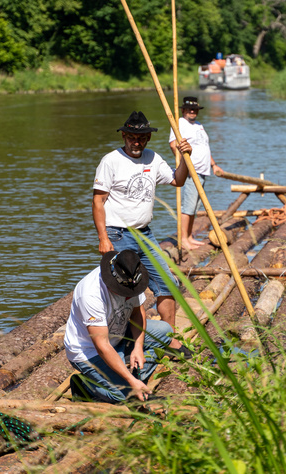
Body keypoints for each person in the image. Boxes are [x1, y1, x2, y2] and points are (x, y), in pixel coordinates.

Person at [92, 110, 193, 356]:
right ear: (125, 135)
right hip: (118, 234)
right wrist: (103, 238)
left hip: (145, 234)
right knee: (124, 291)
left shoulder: (153, 158)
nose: (137, 142)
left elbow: (178, 181)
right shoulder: (111, 161)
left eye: (142, 137)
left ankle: (169, 341)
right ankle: (119, 344)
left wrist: (185, 157)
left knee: (167, 284)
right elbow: (98, 202)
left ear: (148, 138)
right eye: (132, 137)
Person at [64, 249, 172, 403]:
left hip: (118, 335)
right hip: (90, 351)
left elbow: (137, 313)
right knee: (124, 396)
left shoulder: (131, 276)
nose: (128, 295)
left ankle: (132, 380)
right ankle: (84, 385)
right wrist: (130, 380)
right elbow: (102, 346)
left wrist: (138, 347)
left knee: (165, 331)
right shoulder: (90, 294)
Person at [169, 96, 223, 249]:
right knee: (188, 205)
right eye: (189, 109)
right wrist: (185, 165)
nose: (192, 111)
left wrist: (214, 165)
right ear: (183, 110)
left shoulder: (199, 125)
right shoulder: (180, 123)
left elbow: (204, 147)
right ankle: (183, 239)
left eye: (195, 109)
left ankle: (189, 236)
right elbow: (174, 145)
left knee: (195, 206)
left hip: (203, 170)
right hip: (192, 170)